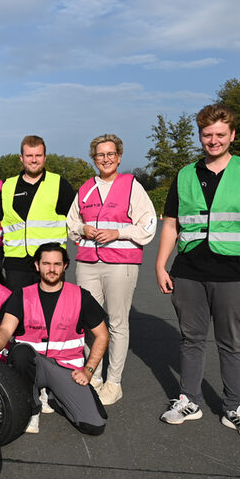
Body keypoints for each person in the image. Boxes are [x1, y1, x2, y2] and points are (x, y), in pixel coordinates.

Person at [156, 104, 240, 439]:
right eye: (207, 134)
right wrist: (160, 264)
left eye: (220, 134)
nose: (213, 140)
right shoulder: (185, 175)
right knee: (191, 339)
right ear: (200, 135)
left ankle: (234, 407)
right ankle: (189, 400)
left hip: (237, 274)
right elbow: (171, 225)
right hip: (189, 272)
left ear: (232, 135)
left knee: (232, 342)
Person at [0, 243, 109, 436]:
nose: (51, 269)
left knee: (94, 425)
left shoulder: (81, 296)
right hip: (33, 365)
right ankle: (32, 409)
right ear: (37, 265)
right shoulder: (22, 295)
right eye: (46, 263)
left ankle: (52, 395)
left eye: (57, 264)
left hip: (67, 368)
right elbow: (5, 329)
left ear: (65, 265)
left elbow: (102, 335)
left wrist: (89, 370)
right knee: (21, 352)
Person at [66, 134, 157, 405]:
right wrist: (83, 228)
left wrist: (117, 232)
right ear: (93, 159)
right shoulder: (85, 189)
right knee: (88, 322)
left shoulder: (131, 186)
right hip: (88, 264)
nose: (105, 159)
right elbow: (71, 224)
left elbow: (149, 225)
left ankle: (113, 382)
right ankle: (92, 373)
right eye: (100, 155)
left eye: (110, 154)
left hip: (120, 264)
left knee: (117, 324)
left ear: (118, 156)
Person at [0, 136, 74, 290]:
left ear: (44, 158)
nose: (34, 160)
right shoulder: (8, 186)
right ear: (21, 158)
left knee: (49, 310)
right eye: (29, 156)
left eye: (38, 155)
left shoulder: (59, 184)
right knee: (18, 311)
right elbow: (0, 221)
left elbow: (74, 219)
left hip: (49, 262)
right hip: (16, 262)